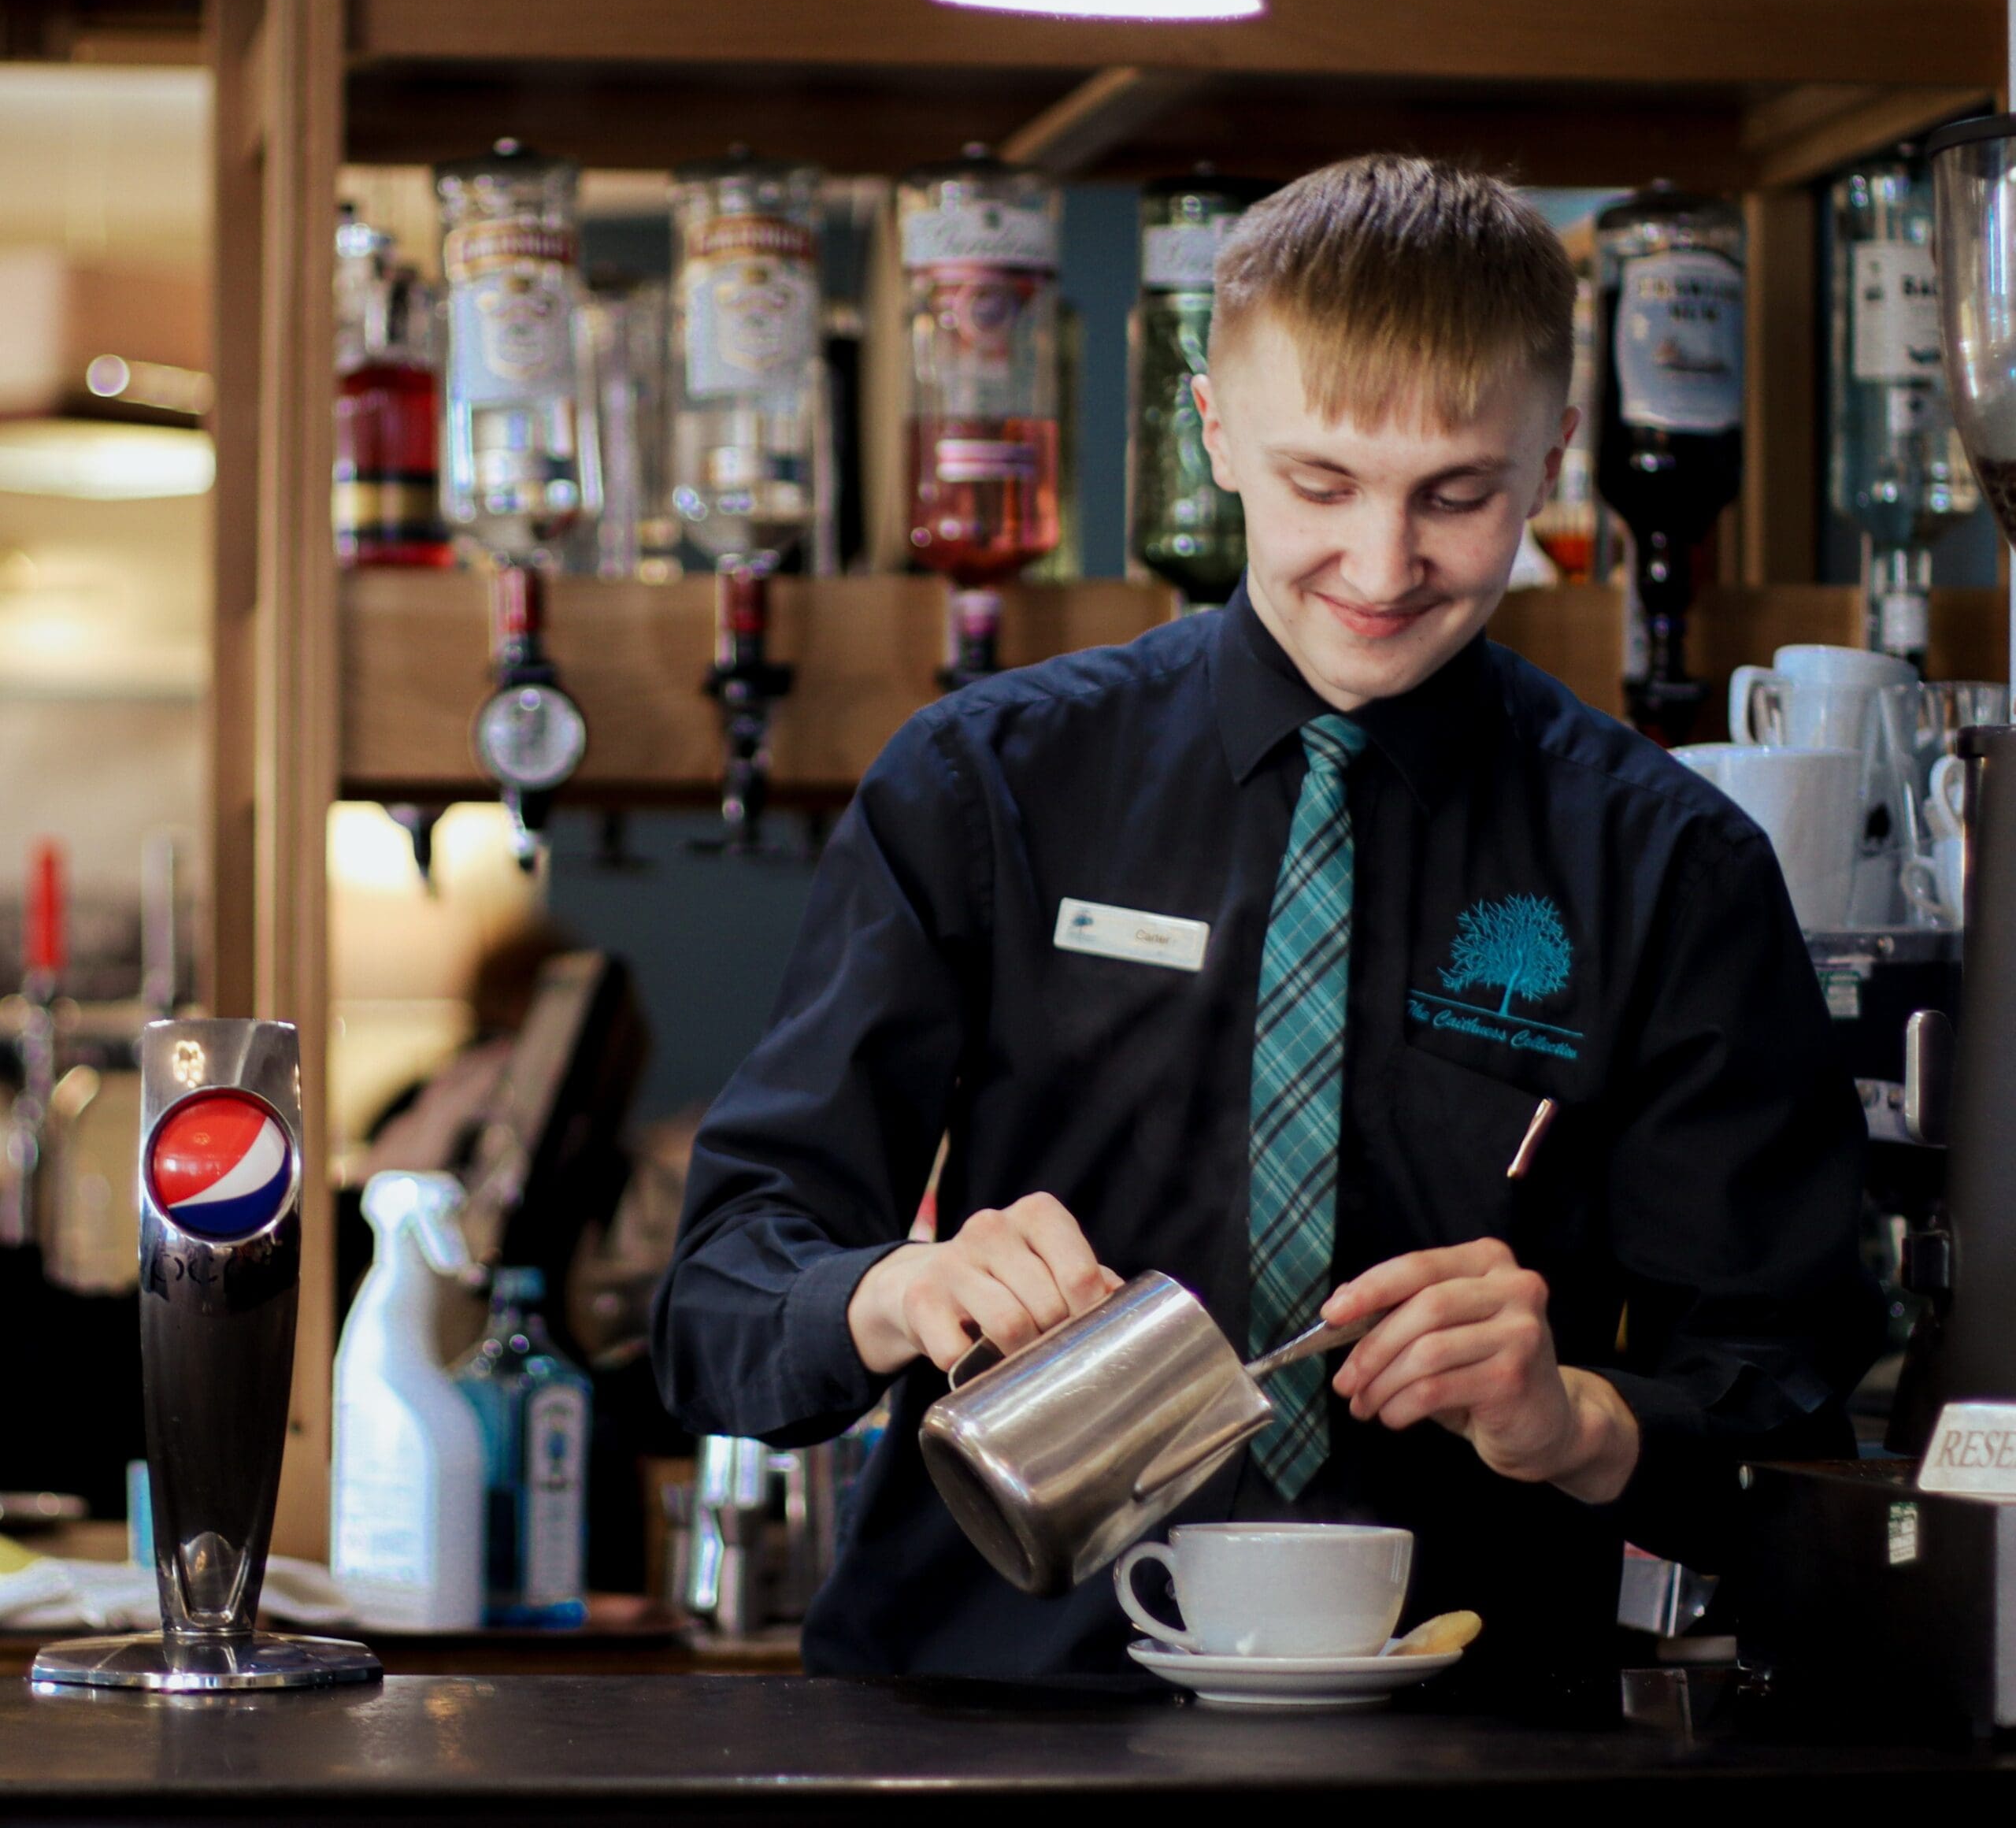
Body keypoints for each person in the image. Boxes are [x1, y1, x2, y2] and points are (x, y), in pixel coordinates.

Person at [653, 155, 1880, 1691]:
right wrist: (892, 1289)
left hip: (1465, 1743)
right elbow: (713, 1310)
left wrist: (1575, 1419)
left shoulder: (1664, 861)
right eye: (1320, 484)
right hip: (976, 1720)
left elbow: (1791, 1418)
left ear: (1554, 452)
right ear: (1213, 430)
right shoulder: (984, 785)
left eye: (1455, 494)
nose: (1379, 568)